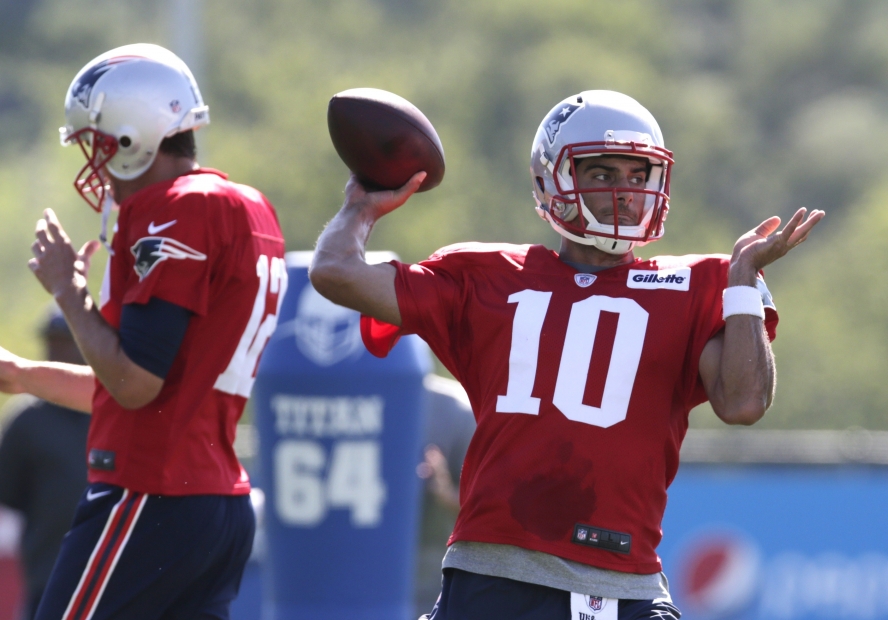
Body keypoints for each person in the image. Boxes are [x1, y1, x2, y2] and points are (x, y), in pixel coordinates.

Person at [309, 90, 824, 620]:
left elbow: (743, 403)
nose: (624, 192)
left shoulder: (698, 284)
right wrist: (361, 206)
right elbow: (335, 273)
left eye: (638, 174)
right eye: (601, 174)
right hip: (493, 576)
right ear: (549, 181)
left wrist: (742, 281)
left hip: (623, 584)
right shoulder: (483, 277)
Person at [0, 43, 286, 619]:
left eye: (99, 146)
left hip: (152, 496)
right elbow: (142, 388)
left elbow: (136, 383)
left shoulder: (180, 210)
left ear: (134, 138)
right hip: (214, 505)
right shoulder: (247, 208)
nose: (97, 166)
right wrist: (24, 375)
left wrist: (68, 293)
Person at [0, 308, 90, 620]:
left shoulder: (112, 408)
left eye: (66, 341)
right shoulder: (27, 419)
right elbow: (8, 494)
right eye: (52, 341)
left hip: (111, 569)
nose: (57, 349)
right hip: (48, 569)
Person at [415, 373, 476, 616]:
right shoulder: (344, 399)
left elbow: (496, 507)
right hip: (356, 576)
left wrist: (445, 490)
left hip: (430, 575)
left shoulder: (455, 408)